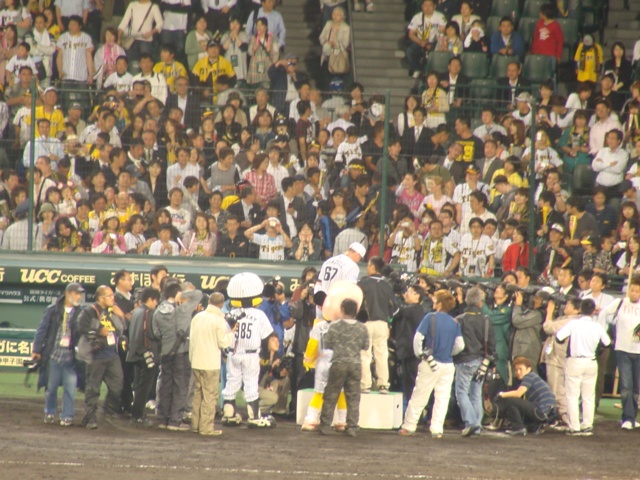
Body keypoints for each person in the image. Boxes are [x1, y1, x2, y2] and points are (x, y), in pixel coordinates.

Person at [399, 289, 464, 438]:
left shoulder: (430, 317)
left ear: (439, 303)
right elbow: (460, 345)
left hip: (430, 362)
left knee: (420, 395)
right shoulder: (454, 322)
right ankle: (437, 429)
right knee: (442, 397)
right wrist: (449, 353)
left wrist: (419, 354)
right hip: (447, 365)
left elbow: (418, 338)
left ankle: (409, 426)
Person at [221, 272, 276, 428]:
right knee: (251, 384)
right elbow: (268, 336)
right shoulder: (259, 315)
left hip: (233, 353)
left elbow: (225, 334)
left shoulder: (231, 314)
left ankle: (229, 414)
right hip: (250, 355)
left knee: (232, 383)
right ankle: (254, 417)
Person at [153, 281, 203, 431]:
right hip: (181, 352)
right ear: (177, 294)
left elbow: (156, 333)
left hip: (165, 353)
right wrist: (183, 295)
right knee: (180, 387)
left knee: (165, 385)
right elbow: (199, 294)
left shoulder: (157, 312)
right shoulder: (182, 310)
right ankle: (175, 421)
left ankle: (163, 418)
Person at [32, 282, 84, 426]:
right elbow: (42, 330)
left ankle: (67, 415)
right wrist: (36, 350)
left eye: (80, 294)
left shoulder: (81, 313)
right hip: (54, 355)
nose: (79, 297)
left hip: (71, 357)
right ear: (67, 293)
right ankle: (50, 412)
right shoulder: (53, 310)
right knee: (51, 387)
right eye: (76, 293)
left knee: (70, 388)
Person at [557, 299, 611, 436]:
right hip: (591, 361)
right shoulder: (597, 326)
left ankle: (574, 426)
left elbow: (559, 337)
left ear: (580, 309)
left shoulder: (574, 324)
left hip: (575, 361)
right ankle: (587, 424)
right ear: (593, 311)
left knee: (572, 395)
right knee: (588, 395)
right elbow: (607, 343)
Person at [76, 285, 124, 430]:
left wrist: (120, 316)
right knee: (93, 389)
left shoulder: (112, 311)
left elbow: (122, 329)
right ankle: (90, 418)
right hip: (96, 356)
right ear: (101, 298)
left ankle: (107, 412)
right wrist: (97, 331)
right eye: (110, 296)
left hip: (112, 354)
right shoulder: (90, 311)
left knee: (117, 386)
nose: (113, 298)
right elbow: (80, 327)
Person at [319, 297, 369, 437]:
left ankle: (325, 425)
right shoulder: (362, 328)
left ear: (342, 310)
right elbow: (365, 346)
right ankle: (352, 427)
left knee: (331, 395)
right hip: (355, 364)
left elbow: (326, 344)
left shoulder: (334, 326)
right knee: (353, 397)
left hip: (338, 363)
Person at [190, 292, 235, 436]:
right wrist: (232, 333)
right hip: (210, 363)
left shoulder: (197, 317)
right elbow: (223, 343)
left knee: (198, 394)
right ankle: (206, 428)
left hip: (196, 361)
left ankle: (196, 425)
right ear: (221, 304)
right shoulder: (219, 320)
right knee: (209, 396)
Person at [599, 276, 640, 429]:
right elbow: (604, 314)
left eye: (637, 291)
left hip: (638, 351)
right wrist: (605, 333)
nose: (634, 293)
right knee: (626, 384)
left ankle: (631, 415)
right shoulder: (620, 303)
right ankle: (627, 417)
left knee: (636, 387)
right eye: (632, 289)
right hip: (622, 349)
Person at [454, 287, 496, 437]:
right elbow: (491, 344)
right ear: (480, 302)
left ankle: (471, 423)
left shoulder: (460, 319)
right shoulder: (486, 320)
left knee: (461, 393)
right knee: (476, 394)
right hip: (481, 361)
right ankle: (476, 426)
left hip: (464, 360)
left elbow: (457, 343)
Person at [357, 256, 396, 394]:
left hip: (366, 323)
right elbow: (394, 309)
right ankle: (383, 385)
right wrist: (389, 324)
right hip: (382, 324)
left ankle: (365, 385)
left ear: (372, 266)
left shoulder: (363, 283)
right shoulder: (387, 285)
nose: (367, 268)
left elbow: (356, 303)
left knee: (364, 355)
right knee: (382, 355)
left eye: (368, 265)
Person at [125, 287, 161, 426]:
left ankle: (136, 413)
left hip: (135, 353)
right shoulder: (148, 313)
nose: (156, 304)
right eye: (155, 301)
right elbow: (150, 334)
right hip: (146, 354)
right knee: (143, 387)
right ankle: (138, 415)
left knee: (139, 385)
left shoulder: (136, 312)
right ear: (150, 299)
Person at [494, 356, 556, 435]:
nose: (518, 372)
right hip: (546, 413)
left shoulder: (529, 377)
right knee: (514, 403)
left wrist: (501, 394)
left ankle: (518, 428)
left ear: (528, 369)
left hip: (541, 412)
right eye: (516, 370)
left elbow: (518, 394)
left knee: (511, 401)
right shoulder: (534, 377)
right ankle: (525, 426)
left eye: (520, 369)